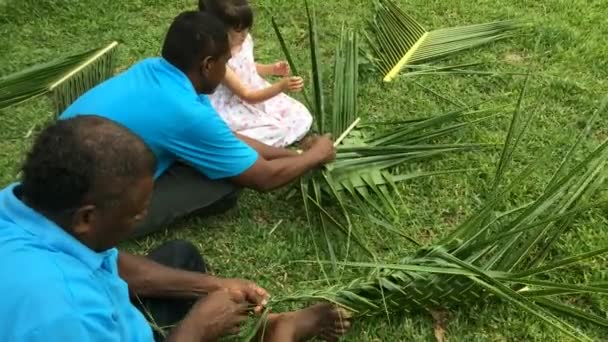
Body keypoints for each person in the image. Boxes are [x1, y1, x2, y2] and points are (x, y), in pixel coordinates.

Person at [0, 115, 351, 341]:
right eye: (134, 214)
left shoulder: (19, 208)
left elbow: (105, 260)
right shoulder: (60, 315)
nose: (144, 215)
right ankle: (278, 334)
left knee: (181, 258)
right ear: (87, 218)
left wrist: (214, 286)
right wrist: (196, 331)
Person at [60, 11, 334, 238]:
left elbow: (226, 137)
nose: (228, 68)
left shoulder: (155, 70)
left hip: (54, 168)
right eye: (226, 62)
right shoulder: (186, 113)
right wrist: (316, 155)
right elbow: (263, 177)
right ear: (207, 65)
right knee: (226, 181)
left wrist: (297, 155)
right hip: (81, 213)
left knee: (218, 156)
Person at [200, 0, 313, 147]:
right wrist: (281, 86)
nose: (245, 35)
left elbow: (247, 67)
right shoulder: (220, 61)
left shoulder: (244, 41)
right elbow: (248, 96)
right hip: (236, 104)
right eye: (239, 31)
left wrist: (271, 69)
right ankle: (237, 143)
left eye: (247, 29)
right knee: (275, 129)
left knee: (301, 115)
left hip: (257, 90)